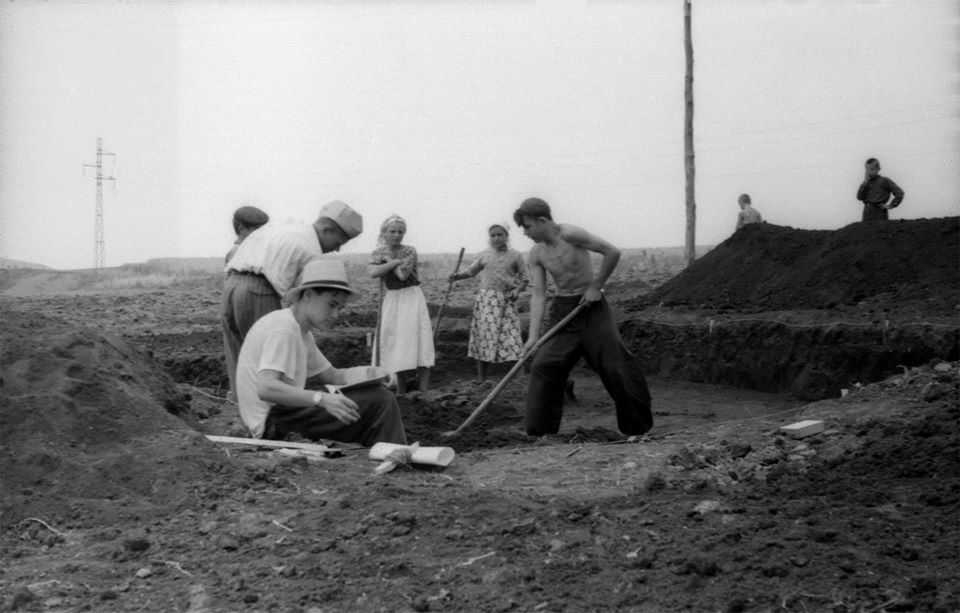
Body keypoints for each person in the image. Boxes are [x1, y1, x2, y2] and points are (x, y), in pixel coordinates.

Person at [513, 197, 652, 437]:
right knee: (543, 366)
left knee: (614, 365)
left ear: (543, 220)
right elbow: (538, 294)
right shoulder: (536, 254)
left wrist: (596, 286)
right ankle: (541, 434)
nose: (525, 233)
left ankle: (637, 430)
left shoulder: (571, 235)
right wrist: (533, 337)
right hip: (563, 312)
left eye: (527, 226)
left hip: (591, 308)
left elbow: (612, 252)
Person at [235, 258, 407, 446]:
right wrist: (321, 399)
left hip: (283, 415)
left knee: (373, 395)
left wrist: (372, 373)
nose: (335, 315)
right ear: (308, 294)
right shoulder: (283, 328)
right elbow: (266, 388)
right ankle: (395, 453)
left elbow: (333, 376)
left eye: (340, 308)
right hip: (272, 423)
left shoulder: (300, 331)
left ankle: (387, 450)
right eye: (331, 305)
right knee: (380, 400)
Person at [222, 200, 362, 404]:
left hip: (231, 285)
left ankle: (239, 413)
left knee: (241, 357)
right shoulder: (311, 250)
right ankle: (271, 421)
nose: (337, 249)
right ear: (326, 229)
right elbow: (302, 302)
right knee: (270, 359)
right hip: (260, 291)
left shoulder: (291, 225)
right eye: (338, 242)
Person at [449, 222, 529, 383]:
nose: (496, 238)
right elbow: (471, 272)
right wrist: (456, 276)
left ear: (507, 236)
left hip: (506, 302)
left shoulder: (515, 255)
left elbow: (525, 279)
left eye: (500, 234)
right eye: (493, 235)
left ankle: (520, 381)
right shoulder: (485, 255)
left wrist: (517, 291)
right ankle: (481, 380)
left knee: (511, 338)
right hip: (486, 303)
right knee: (484, 339)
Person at [368, 215, 435, 394]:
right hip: (392, 298)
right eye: (393, 231)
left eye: (400, 232)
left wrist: (390, 262)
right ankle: (401, 390)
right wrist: (394, 262)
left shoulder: (409, 251)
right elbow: (373, 272)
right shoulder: (378, 252)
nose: (397, 235)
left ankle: (423, 390)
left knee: (416, 339)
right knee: (395, 341)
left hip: (410, 297)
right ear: (384, 233)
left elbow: (402, 275)